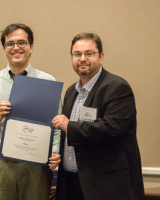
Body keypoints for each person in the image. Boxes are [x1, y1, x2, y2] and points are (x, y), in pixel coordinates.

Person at [0, 23, 61, 200]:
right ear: (4, 48)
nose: (16, 47)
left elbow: (56, 125)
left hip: (36, 167)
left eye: (21, 42)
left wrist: (55, 151)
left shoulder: (47, 82)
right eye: (10, 43)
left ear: (31, 47)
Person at [52, 32, 144, 200]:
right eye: (77, 54)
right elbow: (71, 137)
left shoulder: (117, 88)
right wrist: (57, 153)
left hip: (104, 186)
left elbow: (112, 128)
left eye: (89, 53)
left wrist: (69, 125)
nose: (82, 58)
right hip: (70, 184)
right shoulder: (71, 91)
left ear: (101, 57)